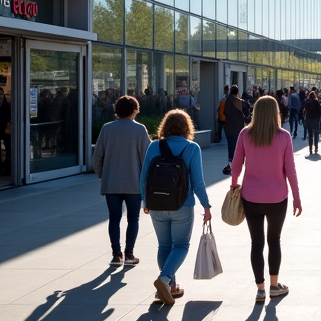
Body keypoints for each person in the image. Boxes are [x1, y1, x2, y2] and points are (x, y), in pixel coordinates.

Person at [230, 95, 302, 302]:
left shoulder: (245, 134)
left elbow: (236, 164)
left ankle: (260, 289)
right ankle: (274, 285)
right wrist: (297, 198)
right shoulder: (284, 136)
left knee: (256, 243)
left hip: (250, 196)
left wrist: (234, 184)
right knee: (274, 241)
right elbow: (291, 171)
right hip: (277, 197)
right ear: (275, 113)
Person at [141, 109, 212, 306]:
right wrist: (206, 206)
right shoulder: (192, 148)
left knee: (164, 246)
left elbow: (143, 177)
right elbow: (198, 183)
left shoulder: (154, 146)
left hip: (156, 204)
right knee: (180, 245)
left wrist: (145, 202)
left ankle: (171, 287)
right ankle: (164, 279)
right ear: (186, 127)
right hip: (182, 204)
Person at [92, 95, 150, 266]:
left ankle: (116, 254)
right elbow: (147, 157)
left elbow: (97, 156)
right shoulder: (140, 130)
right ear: (134, 110)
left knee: (114, 218)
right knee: (133, 219)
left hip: (112, 182)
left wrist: (101, 174)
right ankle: (129, 254)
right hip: (134, 182)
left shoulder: (107, 129)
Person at [221, 85, 250, 175]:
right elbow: (247, 113)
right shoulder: (241, 102)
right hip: (239, 126)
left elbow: (221, 112)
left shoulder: (225, 101)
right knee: (239, 145)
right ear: (237, 92)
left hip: (228, 126)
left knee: (231, 144)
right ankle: (238, 162)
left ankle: (231, 162)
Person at [302, 90, 321, 156]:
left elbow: (304, 111)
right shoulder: (316, 102)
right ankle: (316, 147)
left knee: (310, 135)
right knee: (316, 134)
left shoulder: (307, 102)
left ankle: (310, 148)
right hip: (316, 120)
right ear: (315, 96)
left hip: (309, 120)